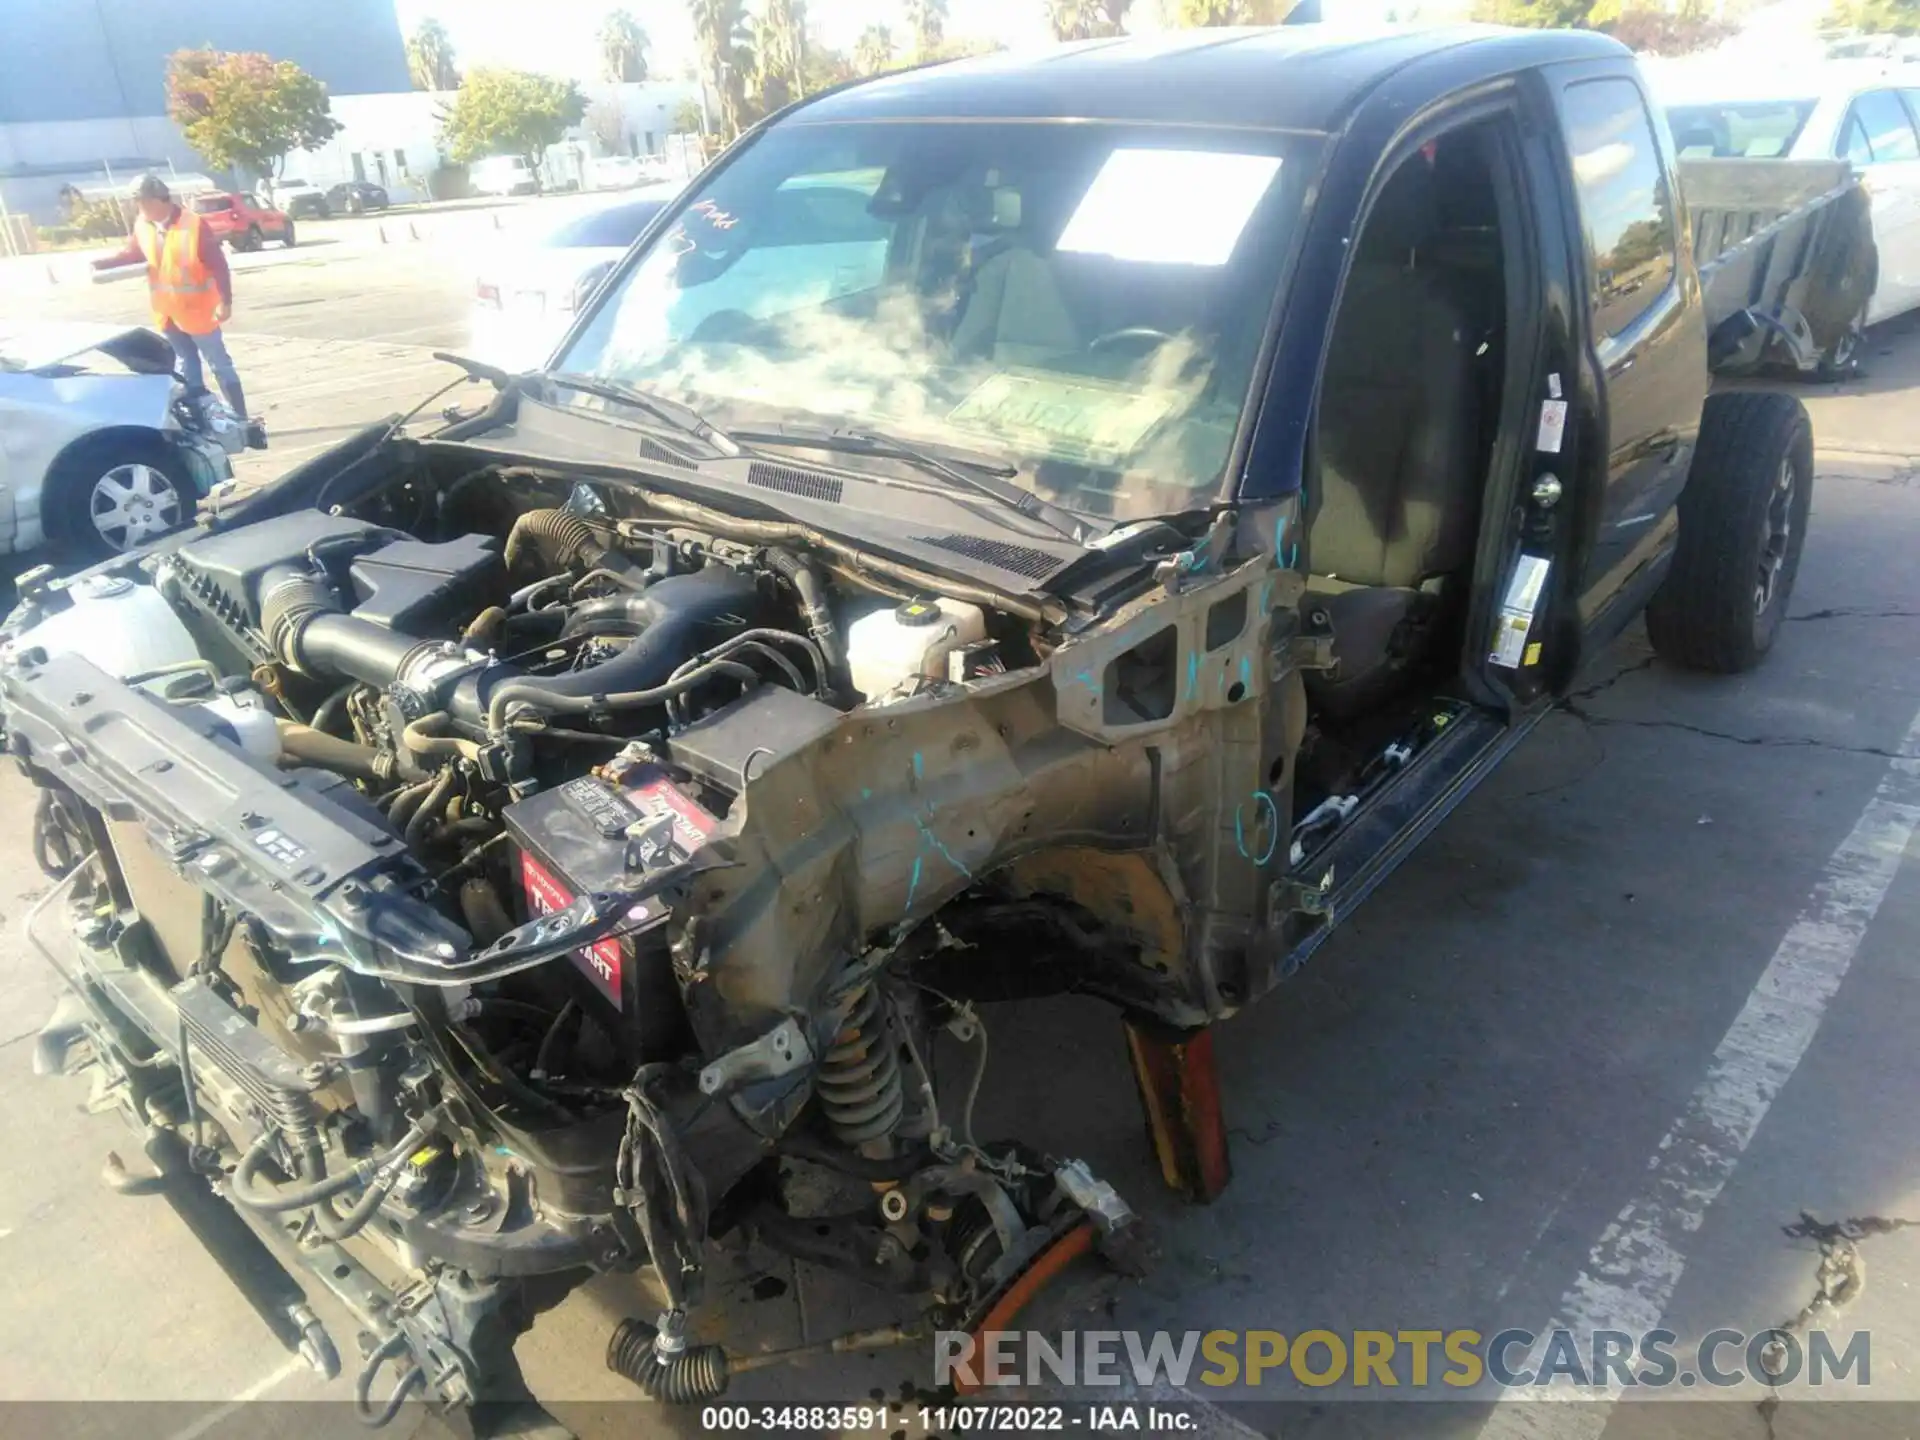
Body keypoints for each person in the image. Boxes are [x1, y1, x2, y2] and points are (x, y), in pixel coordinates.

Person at [93, 174, 263, 445]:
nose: (139, 208)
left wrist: (225, 301)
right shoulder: (143, 225)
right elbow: (134, 254)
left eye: (143, 202)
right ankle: (202, 420)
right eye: (137, 203)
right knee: (186, 366)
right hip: (168, 312)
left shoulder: (193, 225)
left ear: (160, 199)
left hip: (199, 310)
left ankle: (241, 419)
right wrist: (102, 264)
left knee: (219, 363)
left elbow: (218, 265)